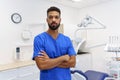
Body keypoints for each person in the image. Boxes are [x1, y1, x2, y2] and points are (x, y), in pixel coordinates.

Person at [32, 6, 76, 80]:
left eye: (56, 17)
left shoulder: (67, 39)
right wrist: (63, 58)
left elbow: (72, 63)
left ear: (60, 20)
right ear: (47, 20)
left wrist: (49, 61)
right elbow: (41, 65)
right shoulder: (39, 39)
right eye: (50, 17)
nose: (53, 20)